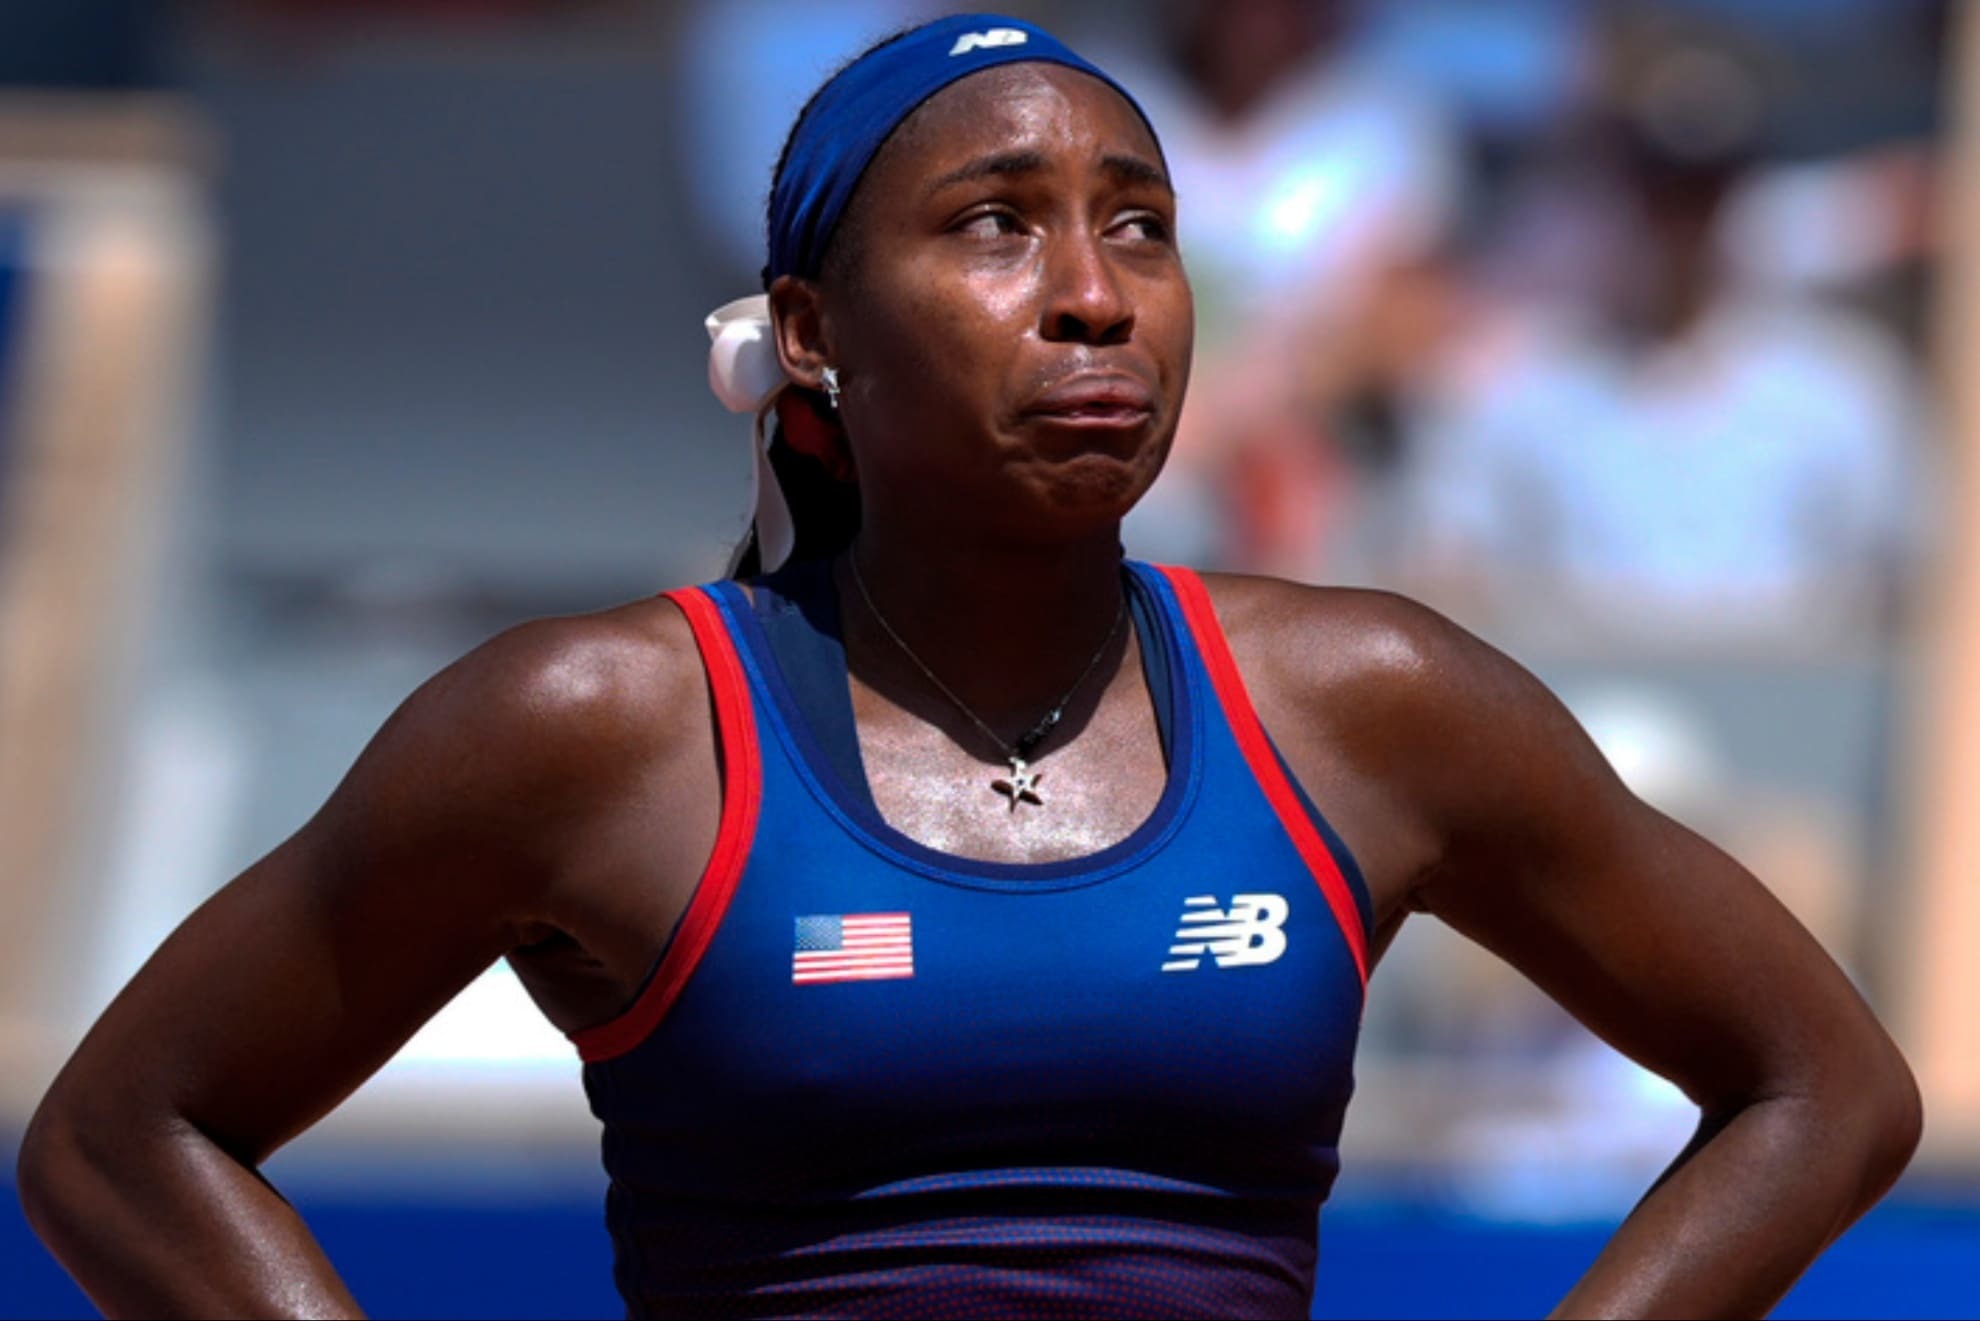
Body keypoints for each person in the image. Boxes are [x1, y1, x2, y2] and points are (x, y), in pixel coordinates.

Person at [17, 13, 1920, 1319]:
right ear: (811, 332)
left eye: (1142, 227)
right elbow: (120, 1140)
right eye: (998, 225)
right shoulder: (599, 729)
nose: (1095, 291)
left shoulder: (1370, 700)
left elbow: (1820, 1084)